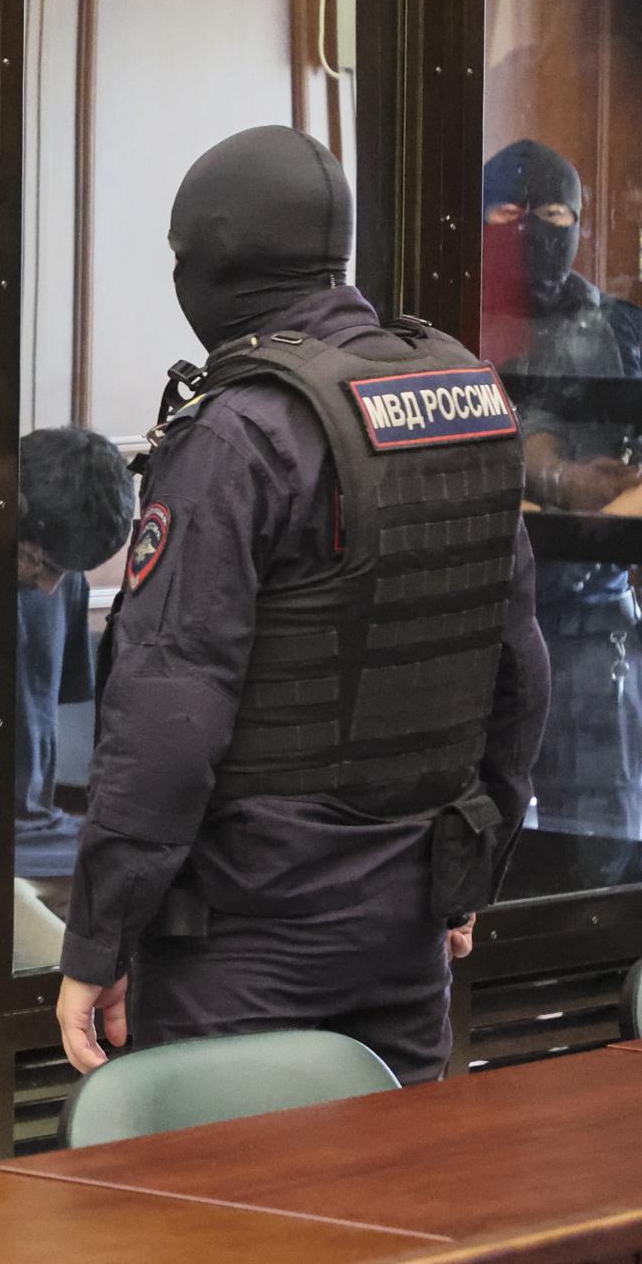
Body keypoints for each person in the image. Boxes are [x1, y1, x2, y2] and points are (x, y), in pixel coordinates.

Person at [55, 126, 550, 1086]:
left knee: (228, 1227)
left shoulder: (237, 436)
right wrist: (467, 878)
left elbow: (168, 719)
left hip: (245, 942)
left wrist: (98, 936)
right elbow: (518, 669)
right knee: (394, 1223)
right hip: (410, 934)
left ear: (211, 261)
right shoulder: (464, 402)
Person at [481, 139, 642, 894]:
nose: (530, 231)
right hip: (476, 621)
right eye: (506, 213)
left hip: (587, 618)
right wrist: (548, 471)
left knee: (597, 844)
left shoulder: (616, 331)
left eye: (551, 214)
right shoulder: (450, 322)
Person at [14, 427, 136, 919]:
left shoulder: (65, 582)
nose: (50, 587)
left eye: (68, 570)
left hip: (35, 828)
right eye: (40, 562)